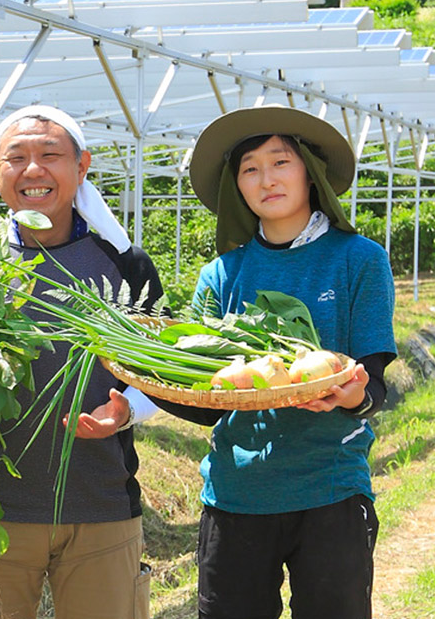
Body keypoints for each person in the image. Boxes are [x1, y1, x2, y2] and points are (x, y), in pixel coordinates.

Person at [0, 105, 163, 619]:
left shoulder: (125, 263)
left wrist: (125, 412)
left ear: (81, 167)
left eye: (50, 155)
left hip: (101, 507)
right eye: (16, 157)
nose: (33, 170)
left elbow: (159, 372)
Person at [180, 104, 396, 619]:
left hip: (330, 487)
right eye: (250, 168)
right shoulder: (220, 275)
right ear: (238, 186)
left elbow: (374, 384)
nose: (266, 179)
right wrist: (149, 380)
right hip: (237, 492)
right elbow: (205, 401)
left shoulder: (359, 260)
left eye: (280, 162)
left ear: (309, 172)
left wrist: (354, 398)